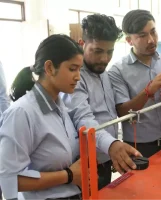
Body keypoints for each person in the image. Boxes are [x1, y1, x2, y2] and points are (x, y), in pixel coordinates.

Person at [61, 14, 141, 190]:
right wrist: (111, 144)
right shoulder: (75, 77)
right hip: (83, 165)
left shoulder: (104, 73)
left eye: (110, 51)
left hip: (105, 160)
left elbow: (108, 113)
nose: (105, 59)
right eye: (98, 51)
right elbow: (83, 119)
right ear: (82, 44)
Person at [0, 34, 84, 200]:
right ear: (49, 68)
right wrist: (68, 175)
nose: (78, 76)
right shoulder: (22, 113)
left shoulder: (60, 106)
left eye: (80, 69)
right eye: (72, 69)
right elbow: (9, 179)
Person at [108, 9, 161, 158]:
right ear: (129, 40)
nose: (151, 40)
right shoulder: (117, 70)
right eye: (142, 35)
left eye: (153, 32)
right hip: (139, 149)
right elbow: (122, 113)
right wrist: (148, 91)